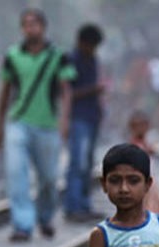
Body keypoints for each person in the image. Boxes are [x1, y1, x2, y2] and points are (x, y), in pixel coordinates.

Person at [0, 8, 75, 242]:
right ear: (22, 28)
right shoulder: (13, 56)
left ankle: (46, 217)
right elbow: (6, 91)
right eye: (27, 24)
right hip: (18, 122)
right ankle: (22, 224)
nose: (31, 28)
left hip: (48, 124)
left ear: (43, 27)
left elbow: (66, 90)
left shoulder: (58, 56)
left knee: (49, 178)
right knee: (16, 173)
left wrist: (65, 120)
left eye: (35, 24)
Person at [63, 23, 105, 222]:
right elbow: (67, 93)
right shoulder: (70, 61)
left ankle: (84, 204)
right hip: (77, 117)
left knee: (88, 163)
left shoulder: (93, 59)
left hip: (92, 116)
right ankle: (73, 206)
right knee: (77, 162)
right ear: (82, 43)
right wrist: (93, 90)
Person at [127, 110, 159, 214]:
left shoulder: (145, 143)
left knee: (153, 201)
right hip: (141, 179)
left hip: (150, 178)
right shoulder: (134, 145)